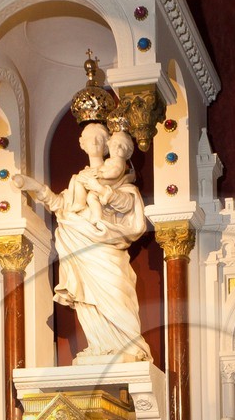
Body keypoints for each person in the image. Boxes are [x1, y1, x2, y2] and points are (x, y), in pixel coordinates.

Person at [13, 121, 151, 364]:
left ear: (108, 144)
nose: (95, 143)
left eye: (100, 138)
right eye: (90, 138)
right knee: (89, 298)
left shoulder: (120, 179)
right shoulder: (78, 179)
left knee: (117, 292)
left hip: (109, 248)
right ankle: (101, 347)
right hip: (82, 245)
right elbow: (58, 205)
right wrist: (33, 187)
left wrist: (101, 190)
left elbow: (128, 205)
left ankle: (129, 346)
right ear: (81, 143)